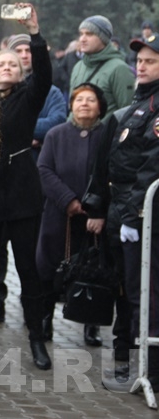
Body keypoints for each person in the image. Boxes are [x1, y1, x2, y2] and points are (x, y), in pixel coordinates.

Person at [0, 5, 53, 371]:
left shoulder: (29, 96)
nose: (7, 67)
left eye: (13, 64)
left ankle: (37, 339)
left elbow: (43, 76)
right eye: (1, 63)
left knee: (29, 269)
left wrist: (35, 34)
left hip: (23, 193)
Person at [102, 34, 159, 387]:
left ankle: (151, 373)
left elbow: (151, 166)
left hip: (144, 215)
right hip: (125, 209)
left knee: (147, 295)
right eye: (138, 60)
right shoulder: (142, 101)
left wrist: (133, 214)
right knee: (131, 292)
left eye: (150, 61)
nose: (141, 65)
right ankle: (138, 366)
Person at [36, 83, 108, 347]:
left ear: (100, 106)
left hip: (95, 218)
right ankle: (46, 320)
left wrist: (96, 206)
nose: (84, 104)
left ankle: (92, 324)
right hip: (59, 214)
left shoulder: (106, 135)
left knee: (94, 269)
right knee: (49, 268)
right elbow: (44, 169)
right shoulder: (56, 135)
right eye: (79, 100)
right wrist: (68, 200)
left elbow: (109, 173)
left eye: (90, 99)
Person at [7, 33, 67, 153]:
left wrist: (14, 128)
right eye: (18, 51)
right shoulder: (0, 91)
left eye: (29, 50)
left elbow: (57, 121)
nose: (24, 56)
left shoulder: (52, 92)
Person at [69, 15, 135, 119]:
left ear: (103, 38)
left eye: (89, 34)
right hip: (74, 134)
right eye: (81, 34)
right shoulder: (78, 66)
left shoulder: (119, 69)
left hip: (106, 134)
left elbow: (127, 112)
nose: (82, 39)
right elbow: (72, 107)